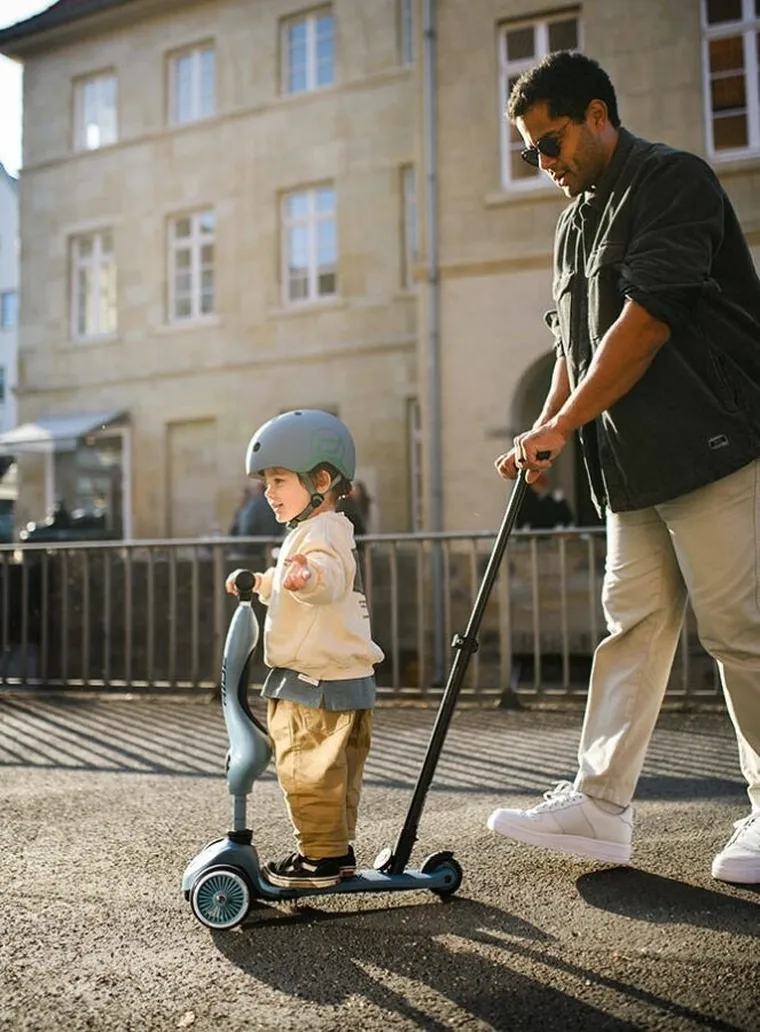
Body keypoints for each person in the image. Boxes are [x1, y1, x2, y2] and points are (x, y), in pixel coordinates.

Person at [487, 51, 760, 885]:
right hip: (631, 467)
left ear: (599, 116)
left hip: (712, 447)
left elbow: (644, 325)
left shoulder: (674, 181)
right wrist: (546, 429)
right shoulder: (573, 224)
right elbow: (575, 347)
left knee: (740, 633)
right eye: (531, 150)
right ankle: (600, 808)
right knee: (631, 629)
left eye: (553, 142)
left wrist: (564, 423)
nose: (544, 163)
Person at [225, 409, 384, 889]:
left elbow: (327, 577)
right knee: (334, 778)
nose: (268, 492)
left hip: (313, 683)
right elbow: (296, 578)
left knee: (304, 770)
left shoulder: (322, 534)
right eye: (266, 482)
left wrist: (307, 578)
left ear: (320, 480)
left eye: (278, 480)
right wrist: (265, 582)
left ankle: (320, 860)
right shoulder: (322, 529)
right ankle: (335, 851)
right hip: (343, 679)